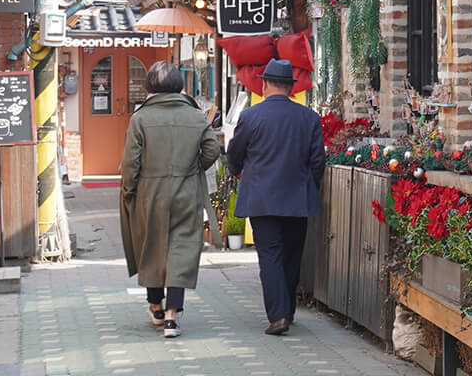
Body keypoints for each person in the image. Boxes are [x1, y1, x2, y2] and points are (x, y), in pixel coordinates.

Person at [119, 61, 220, 339]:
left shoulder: (140, 118)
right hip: (187, 192)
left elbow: (131, 163)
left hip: (149, 193)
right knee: (181, 250)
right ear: (180, 86)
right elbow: (212, 150)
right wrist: (193, 167)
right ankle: (173, 318)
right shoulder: (196, 116)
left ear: (150, 87)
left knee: (151, 248)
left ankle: (156, 306)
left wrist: (129, 190)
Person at [227, 58, 326, 336]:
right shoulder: (309, 118)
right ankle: (288, 311)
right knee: (292, 256)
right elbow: (318, 161)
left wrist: (237, 172)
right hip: (297, 198)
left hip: (262, 199)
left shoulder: (251, 116)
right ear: (290, 87)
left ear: (265, 84)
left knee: (270, 255)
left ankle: (279, 315)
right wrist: (308, 186)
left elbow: (235, 153)